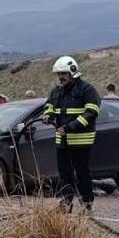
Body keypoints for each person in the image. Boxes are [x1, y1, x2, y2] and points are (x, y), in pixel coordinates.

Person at [42, 56, 100, 213]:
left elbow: (92, 112)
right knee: (64, 174)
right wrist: (48, 115)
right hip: (62, 140)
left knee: (82, 173)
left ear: (73, 72)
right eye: (58, 74)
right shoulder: (57, 91)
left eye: (63, 74)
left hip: (81, 140)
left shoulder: (87, 90)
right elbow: (49, 105)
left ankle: (87, 204)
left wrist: (70, 127)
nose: (60, 77)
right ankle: (66, 202)